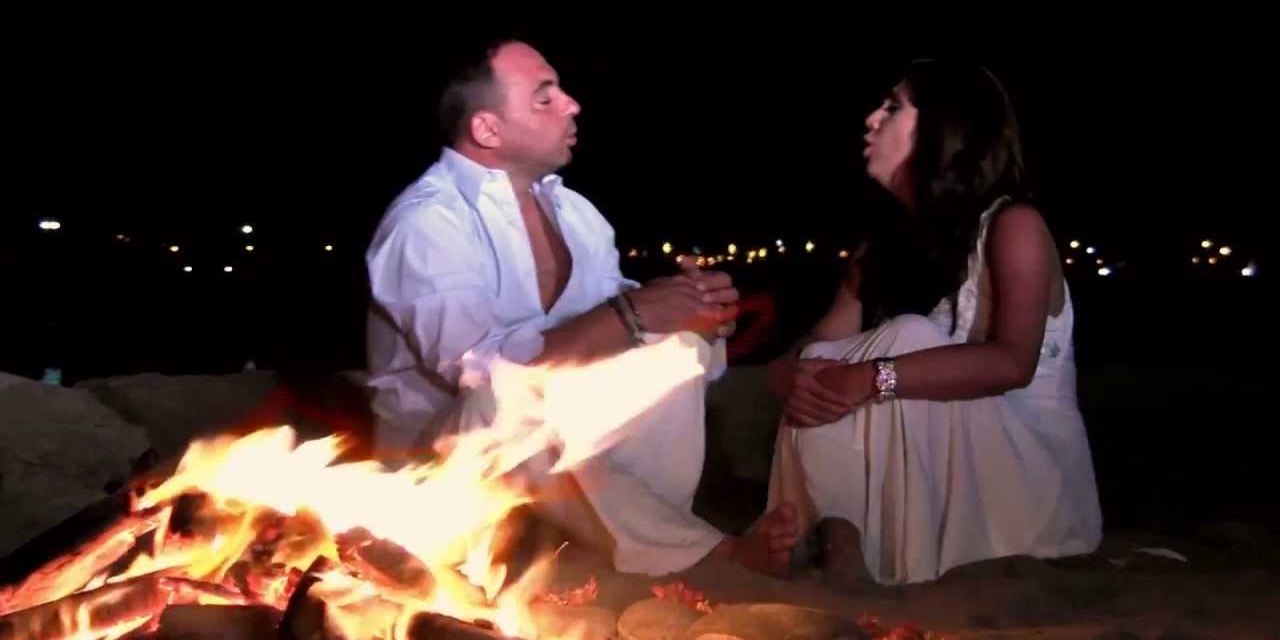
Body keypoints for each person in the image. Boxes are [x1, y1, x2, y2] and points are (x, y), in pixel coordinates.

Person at [364, 37, 797, 576]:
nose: (572, 104)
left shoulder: (574, 212)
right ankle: (702, 556)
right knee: (507, 395)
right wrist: (632, 315)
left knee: (677, 347)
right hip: (441, 460)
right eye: (545, 97)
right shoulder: (426, 222)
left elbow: (619, 324)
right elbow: (481, 375)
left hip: (546, 445)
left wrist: (695, 310)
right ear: (487, 130)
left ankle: (652, 544)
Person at [764, 59, 1103, 585]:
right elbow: (820, 343)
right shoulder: (882, 248)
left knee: (908, 339)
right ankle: (840, 541)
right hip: (959, 475)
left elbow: (1012, 363)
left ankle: (838, 544)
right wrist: (788, 373)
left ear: (946, 127)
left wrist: (872, 376)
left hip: (1033, 489)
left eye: (893, 107)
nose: (872, 119)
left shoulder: (1014, 226)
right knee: (821, 364)